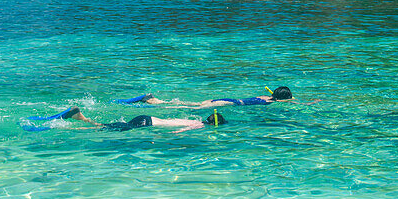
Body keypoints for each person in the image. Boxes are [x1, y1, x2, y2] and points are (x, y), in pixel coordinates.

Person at [60, 106, 225, 133]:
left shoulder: (193, 118)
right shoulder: (198, 125)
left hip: (147, 118)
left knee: (112, 126)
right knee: (108, 129)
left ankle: (81, 118)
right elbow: (183, 130)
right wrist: (175, 133)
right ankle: (80, 122)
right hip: (147, 124)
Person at [122, 86, 294, 108]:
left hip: (226, 98)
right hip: (225, 104)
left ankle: (154, 100)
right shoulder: (270, 103)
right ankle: (157, 105)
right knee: (190, 107)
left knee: (194, 103)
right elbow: (288, 101)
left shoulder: (264, 97)